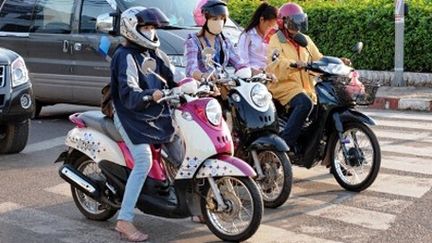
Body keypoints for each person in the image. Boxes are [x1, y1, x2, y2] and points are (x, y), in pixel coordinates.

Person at [110, 7, 176, 242]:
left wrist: (191, 84)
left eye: (152, 28)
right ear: (132, 28)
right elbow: (128, 94)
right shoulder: (124, 55)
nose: (150, 32)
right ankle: (124, 220)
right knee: (143, 160)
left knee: (180, 146)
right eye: (146, 27)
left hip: (153, 112)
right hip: (129, 113)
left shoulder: (154, 52)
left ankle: (194, 205)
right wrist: (150, 95)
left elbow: (171, 77)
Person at [266, 2, 350, 153]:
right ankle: (284, 147)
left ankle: (332, 153)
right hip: (284, 86)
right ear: (283, 23)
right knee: (304, 103)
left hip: (306, 86)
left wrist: (337, 62)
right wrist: (293, 64)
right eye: (293, 22)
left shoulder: (305, 40)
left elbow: (319, 58)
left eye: (299, 21)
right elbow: (276, 62)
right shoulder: (276, 40)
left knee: (325, 110)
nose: (297, 26)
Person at [185, 0, 247, 82]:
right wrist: (203, 75)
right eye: (215, 19)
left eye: (222, 19)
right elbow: (191, 69)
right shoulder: (193, 42)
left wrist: (251, 71)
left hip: (222, 85)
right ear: (203, 19)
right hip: (203, 89)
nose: (219, 22)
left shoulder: (225, 42)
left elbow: (238, 62)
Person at [237, 2, 278, 76]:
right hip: (252, 76)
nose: (270, 30)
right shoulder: (248, 35)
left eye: (273, 27)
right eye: (269, 26)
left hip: (269, 74)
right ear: (262, 20)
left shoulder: (272, 36)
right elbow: (242, 63)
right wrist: (258, 73)